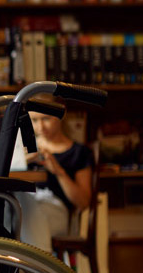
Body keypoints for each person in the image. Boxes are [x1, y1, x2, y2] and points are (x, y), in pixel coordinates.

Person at [17, 96, 94, 253]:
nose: (40, 127)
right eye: (35, 120)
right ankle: (42, 269)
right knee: (17, 200)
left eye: (46, 119)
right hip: (25, 205)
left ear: (61, 114)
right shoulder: (21, 150)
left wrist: (59, 172)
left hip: (55, 210)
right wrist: (20, 162)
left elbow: (83, 202)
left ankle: (37, 270)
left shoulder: (78, 152)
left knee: (22, 208)